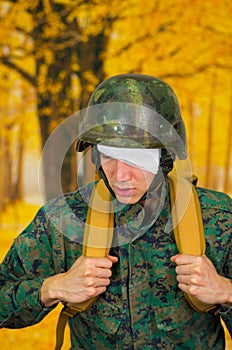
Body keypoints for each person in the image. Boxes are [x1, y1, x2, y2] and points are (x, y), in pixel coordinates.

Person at [0, 73, 231, 349]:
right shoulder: (63, 218)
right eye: (109, 156)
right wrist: (54, 288)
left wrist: (225, 291)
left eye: (137, 158)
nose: (121, 175)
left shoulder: (217, 218)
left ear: (165, 156)